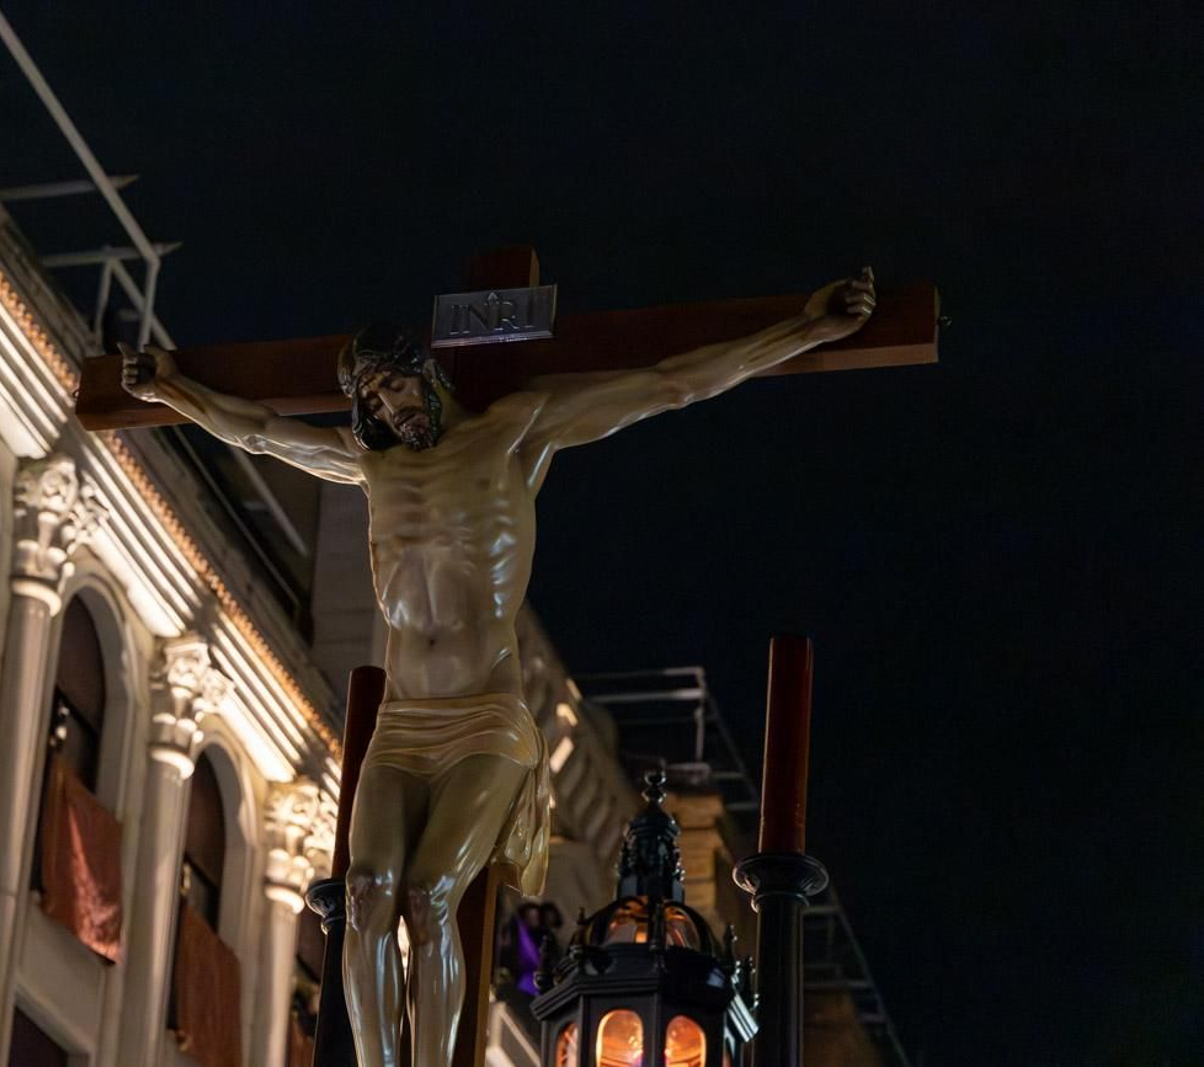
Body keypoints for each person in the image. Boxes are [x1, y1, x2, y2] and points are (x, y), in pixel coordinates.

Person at [121, 267, 877, 1066]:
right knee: (368, 893)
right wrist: (173, 393)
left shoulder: (517, 429)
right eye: (370, 400)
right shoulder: (370, 463)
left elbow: (669, 382)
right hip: (403, 722)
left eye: (391, 386)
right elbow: (262, 431)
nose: (384, 407)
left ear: (427, 370)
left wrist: (806, 329)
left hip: (485, 715)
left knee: (427, 892)